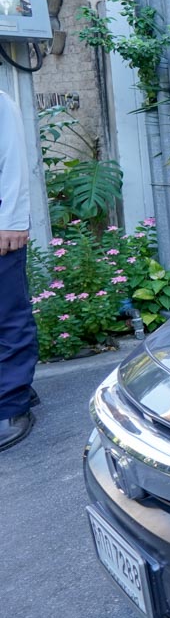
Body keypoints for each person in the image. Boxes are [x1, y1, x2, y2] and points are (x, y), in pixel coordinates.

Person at [0, 87, 39, 452]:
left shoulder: (0, 102)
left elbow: (13, 163)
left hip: (1, 225)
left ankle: (12, 406)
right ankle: (14, 385)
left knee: (8, 313)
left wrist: (11, 222)